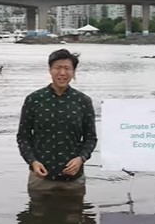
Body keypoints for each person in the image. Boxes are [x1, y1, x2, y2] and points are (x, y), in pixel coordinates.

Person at [16, 48, 97, 195]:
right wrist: (32, 161)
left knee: (74, 215)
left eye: (67, 68)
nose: (62, 73)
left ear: (73, 72)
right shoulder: (34, 99)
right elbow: (23, 137)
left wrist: (81, 158)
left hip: (73, 178)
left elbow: (90, 138)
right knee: (36, 215)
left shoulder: (83, 101)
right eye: (57, 68)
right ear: (50, 70)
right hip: (40, 177)